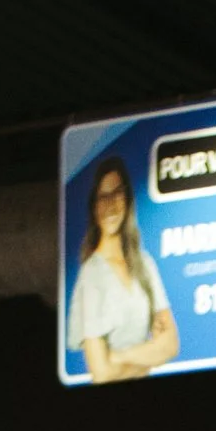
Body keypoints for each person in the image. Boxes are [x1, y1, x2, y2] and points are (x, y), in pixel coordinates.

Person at [66, 157, 178, 383]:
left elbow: (171, 345)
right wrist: (150, 353)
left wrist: (118, 356)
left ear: (127, 198)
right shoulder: (92, 274)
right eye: (103, 197)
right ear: (94, 205)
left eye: (116, 193)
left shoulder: (145, 264)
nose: (110, 205)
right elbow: (102, 372)